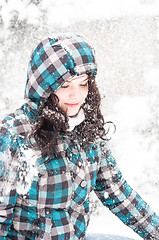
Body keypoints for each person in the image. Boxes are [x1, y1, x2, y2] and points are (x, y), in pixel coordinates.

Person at [0, 33, 159, 240]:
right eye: (65, 86)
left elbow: (118, 193)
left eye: (83, 84)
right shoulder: (16, 134)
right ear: (43, 89)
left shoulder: (87, 130)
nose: (76, 95)